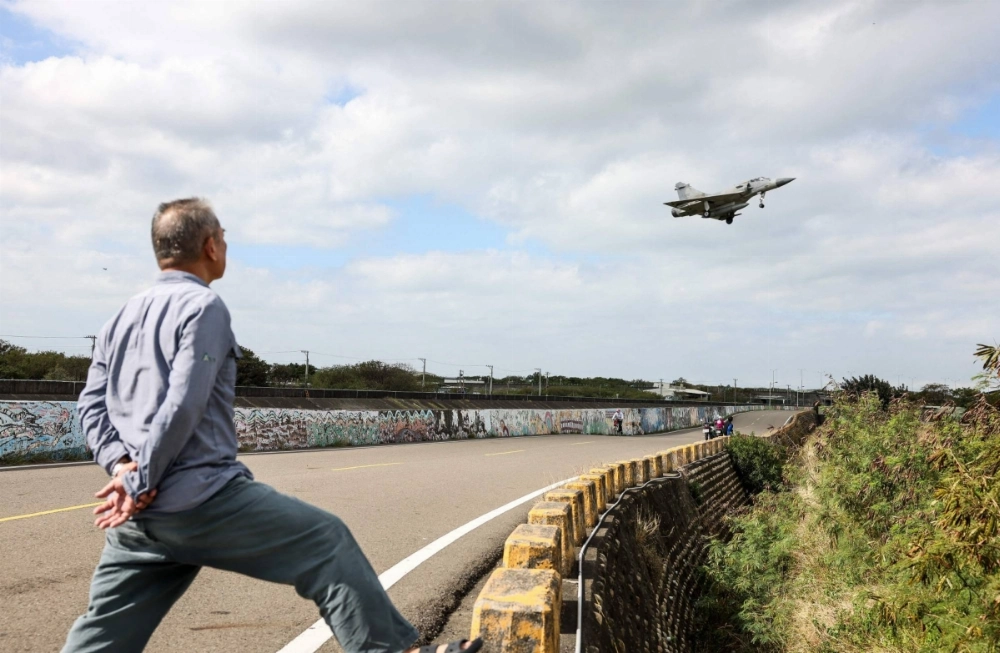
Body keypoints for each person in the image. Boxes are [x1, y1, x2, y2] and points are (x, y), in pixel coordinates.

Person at [63, 199, 481, 653]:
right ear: (210, 246)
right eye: (223, 237)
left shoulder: (118, 318)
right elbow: (183, 403)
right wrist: (142, 477)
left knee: (102, 634)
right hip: (201, 498)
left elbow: (91, 404)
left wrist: (122, 467)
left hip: (140, 517)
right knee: (326, 541)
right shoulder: (203, 307)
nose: (225, 245)